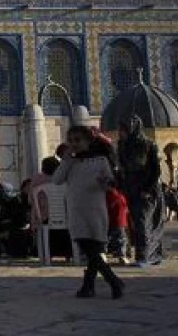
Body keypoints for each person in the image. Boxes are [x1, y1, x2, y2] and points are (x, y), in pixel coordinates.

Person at [53, 124, 125, 299]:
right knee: (89, 248)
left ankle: (97, 285)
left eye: (78, 140)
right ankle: (107, 282)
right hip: (77, 210)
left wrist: (105, 182)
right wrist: (67, 160)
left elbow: (110, 183)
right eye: (70, 140)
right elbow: (57, 179)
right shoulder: (70, 161)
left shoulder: (100, 160)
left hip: (95, 209)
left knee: (94, 250)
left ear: (88, 141)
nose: (74, 144)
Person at [117, 115, 165, 266]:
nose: (120, 133)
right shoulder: (123, 146)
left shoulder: (148, 145)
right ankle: (148, 255)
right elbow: (122, 168)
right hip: (131, 188)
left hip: (146, 189)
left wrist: (147, 188)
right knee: (136, 223)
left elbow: (155, 170)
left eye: (123, 129)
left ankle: (145, 256)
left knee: (143, 222)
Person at [106, 181, 130, 265]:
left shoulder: (107, 196)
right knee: (121, 240)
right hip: (121, 222)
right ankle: (122, 256)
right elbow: (126, 209)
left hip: (110, 221)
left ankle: (103, 256)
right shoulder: (121, 196)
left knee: (107, 239)